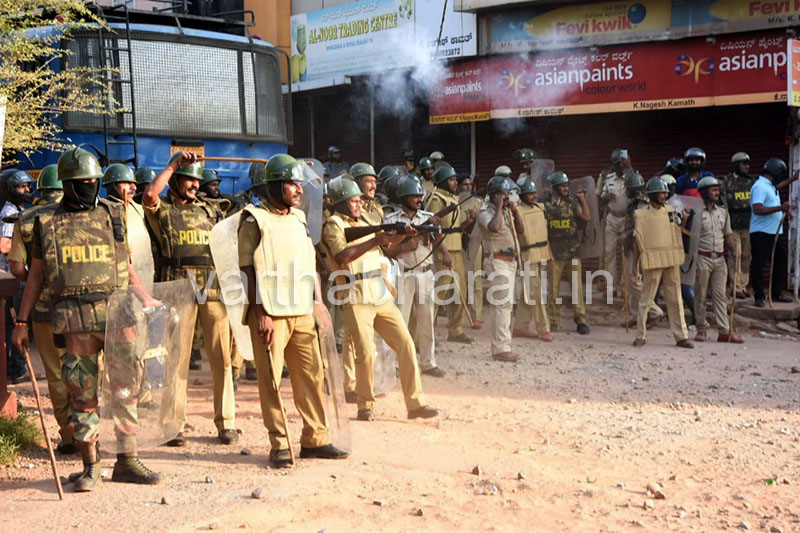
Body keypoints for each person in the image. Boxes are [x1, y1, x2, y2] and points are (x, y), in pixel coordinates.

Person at [13, 147, 164, 491]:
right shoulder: (44, 221)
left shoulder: (113, 213)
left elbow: (123, 265)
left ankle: (127, 460)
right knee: (83, 395)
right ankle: (90, 466)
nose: (90, 186)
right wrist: (22, 324)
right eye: (82, 182)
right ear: (67, 184)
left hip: (118, 317)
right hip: (75, 320)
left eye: (95, 181)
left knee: (127, 390)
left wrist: (145, 298)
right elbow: (35, 275)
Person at [238, 154, 349, 467]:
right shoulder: (253, 220)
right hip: (271, 314)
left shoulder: (299, 219)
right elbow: (247, 270)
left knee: (311, 377)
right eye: (291, 182)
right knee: (272, 381)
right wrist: (260, 312)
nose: (299, 189)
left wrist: (318, 302)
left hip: (302, 310)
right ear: (275, 185)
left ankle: (315, 439)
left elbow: (308, 264)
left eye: (299, 182)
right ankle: (280, 445)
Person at [322, 176, 438, 422]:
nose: (358, 205)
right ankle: (365, 405)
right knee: (365, 352)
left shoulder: (367, 219)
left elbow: (385, 246)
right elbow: (342, 255)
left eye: (358, 200)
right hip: (355, 294)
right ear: (341, 202)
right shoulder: (333, 224)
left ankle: (415, 403)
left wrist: (403, 236)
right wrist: (375, 239)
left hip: (379, 291)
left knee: (406, 343)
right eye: (353, 201)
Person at [142, 151, 238, 445]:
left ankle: (227, 423)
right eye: (188, 180)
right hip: (178, 290)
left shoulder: (211, 211)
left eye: (197, 181)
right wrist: (173, 164)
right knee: (177, 360)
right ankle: (173, 425)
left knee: (221, 358)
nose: (195, 186)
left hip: (212, 289)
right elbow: (149, 194)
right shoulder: (163, 209)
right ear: (176, 181)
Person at [7, 165, 74, 453]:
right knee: (86, 370)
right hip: (81, 307)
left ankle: (70, 437)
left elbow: (17, 267)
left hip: (44, 308)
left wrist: (36, 282)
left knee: (57, 373)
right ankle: (90, 434)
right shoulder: (79, 213)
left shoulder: (27, 219)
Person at [383, 177, 444, 377]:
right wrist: (404, 246)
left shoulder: (427, 216)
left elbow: (437, 241)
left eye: (420, 195)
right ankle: (397, 364)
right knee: (400, 321)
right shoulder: (391, 220)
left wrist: (436, 227)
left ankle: (428, 362)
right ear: (403, 197)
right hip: (404, 274)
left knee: (427, 321)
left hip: (425, 273)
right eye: (414, 196)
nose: (419, 199)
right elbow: (386, 251)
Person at [631, 177, 693, 349]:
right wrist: (635, 266)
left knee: (676, 299)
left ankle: (681, 337)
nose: (665, 195)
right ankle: (640, 335)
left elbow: (677, 232)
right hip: (653, 260)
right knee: (646, 299)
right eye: (662, 192)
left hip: (671, 259)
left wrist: (685, 219)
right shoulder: (641, 214)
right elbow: (637, 242)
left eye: (666, 192)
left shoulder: (672, 211)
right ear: (652, 194)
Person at [476, 175, 525, 362]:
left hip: (509, 262)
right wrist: (498, 206)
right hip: (496, 260)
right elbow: (494, 227)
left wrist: (515, 211)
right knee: (501, 305)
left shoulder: (506, 211)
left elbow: (520, 230)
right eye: (504, 194)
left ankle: (504, 343)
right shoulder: (485, 212)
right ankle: (500, 348)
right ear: (496, 195)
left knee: (506, 305)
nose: (507, 197)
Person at [427, 165, 476, 344]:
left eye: (455, 179)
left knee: (460, 290)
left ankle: (456, 330)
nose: (456, 183)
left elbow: (455, 227)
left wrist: (467, 222)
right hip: (444, 250)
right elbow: (433, 229)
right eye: (452, 180)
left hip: (457, 248)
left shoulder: (453, 199)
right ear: (443, 182)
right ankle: (426, 333)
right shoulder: (436, 199)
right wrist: (444, 251)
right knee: (439, 292)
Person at [694, 176, 742, 343]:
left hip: (720, 259)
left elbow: (727, 235)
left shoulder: (723, 212)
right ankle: (701, 329)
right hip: (702, 258)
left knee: (720, 296)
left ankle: (724, 331)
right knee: (700, 296)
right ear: (704, 192)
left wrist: (734, 251)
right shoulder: (695, 212)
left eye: (717, 189)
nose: (717, 192)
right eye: (713, 190)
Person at [544, 171, 591, 334]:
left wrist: (583, 200)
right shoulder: (545, 205)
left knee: (576, 288)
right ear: (555, 187)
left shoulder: (572, 202)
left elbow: (586, 217)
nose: (566, 188)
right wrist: (548, 252)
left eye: (566, 185)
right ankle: (554, 320)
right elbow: (543, 231)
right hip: (554, 253)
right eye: (563, 185)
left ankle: (581, 320)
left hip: (572, 251)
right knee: (553, 290)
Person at [0, 169, 35, 384]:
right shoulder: (9, 212)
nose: (26, 190)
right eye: (21, 187)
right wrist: (26, 244)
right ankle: (17, 369)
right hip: (12, 278)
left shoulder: (18, 210)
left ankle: (15, 368)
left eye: (27, 186)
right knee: (14, 324)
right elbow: (3, 244)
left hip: (14, 277)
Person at [619, 172, 663, 329]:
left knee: (636, 281)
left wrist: (627, 234)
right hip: (632, 246)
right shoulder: (633, 203)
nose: (626, 191)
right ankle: (635, 315)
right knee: (631, 285)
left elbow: (642, 229)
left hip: (643, 248)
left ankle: (655, 312)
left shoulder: (645, 204)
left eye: (628, 188)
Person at [512, 177, 553, 342]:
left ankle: (520, 326)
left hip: (542, 252)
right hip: (528, 255)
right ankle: (544, 328)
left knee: (529, 292)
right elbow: (520, 231)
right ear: (522, 195)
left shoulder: (540, 208)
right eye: (530, 194)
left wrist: (549, 252)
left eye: (534, 193)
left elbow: (544, 232)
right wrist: (514, 211)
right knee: (536, 293)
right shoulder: (517, 211)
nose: (534, 196)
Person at [749, 158, 795, 307]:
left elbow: (777, 191)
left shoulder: (770, 186)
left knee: (780, 262)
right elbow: (758, 209)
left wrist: (793, 179)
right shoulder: (760, 186)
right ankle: (759, 296)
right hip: (761, 233)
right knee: (759, 265)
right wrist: (780, 208)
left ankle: (776, 293)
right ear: (775, 172)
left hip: (776, 232)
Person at [720, 153, 755, 299]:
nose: (747, 166)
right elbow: (723, 204)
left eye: (748, 163)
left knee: (747, 256)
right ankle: (735, 287)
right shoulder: (726, 181)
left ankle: (743, 285)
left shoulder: (752, 181)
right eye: (743, 163)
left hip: (749, 225)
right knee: (736, 255)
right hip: (733, 225)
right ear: (736, 165)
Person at [599, 150, 633, 295]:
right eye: (617, 164)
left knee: (628, 254)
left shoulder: (632, 177)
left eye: (622, 164)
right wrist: (607, 197)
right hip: (612, 218)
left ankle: (627, 287)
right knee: (610, 253)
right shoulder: (608, 178)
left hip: (627, 219)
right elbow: (601, 198)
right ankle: (611, 287)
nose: (619, 167)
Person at [457, 173, 484, 328]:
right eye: (464, 184)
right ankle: (458, 316)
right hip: (459, 244)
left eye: (469, 184)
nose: (468, 187)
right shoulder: (456, 203)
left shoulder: (479, 203)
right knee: (460, 282)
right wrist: (468, 222)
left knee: (476, 281)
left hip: (475, 243)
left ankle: (476, 316)